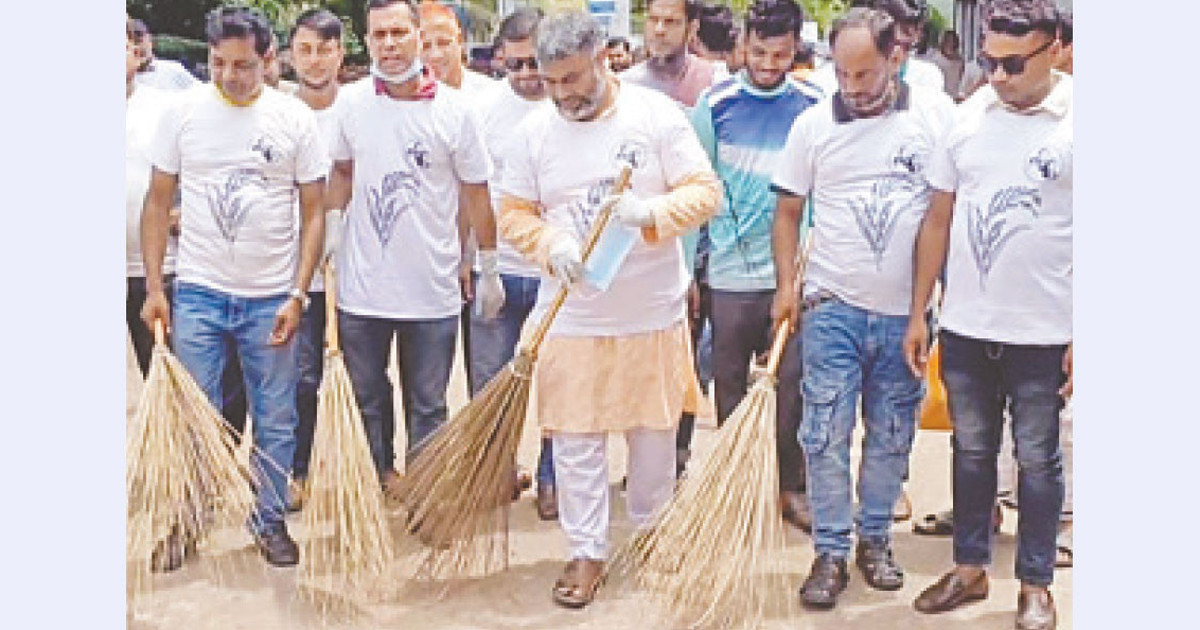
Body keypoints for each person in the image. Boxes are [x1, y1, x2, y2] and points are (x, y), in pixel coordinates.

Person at [497, 10, 720, 609]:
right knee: (575, 441)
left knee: (652, 436)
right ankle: (586, 549)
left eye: (573, 78)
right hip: (573, 316)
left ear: (602, 57)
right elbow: (513, 213)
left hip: (651, 312)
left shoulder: (656, 117)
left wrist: (651, 215)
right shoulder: (533, 134)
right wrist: (551, 245)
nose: (563, 93)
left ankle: (651, 535)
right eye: (552, 82)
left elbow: (705, 193)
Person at [770, 6, 954, 610]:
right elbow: (789, 212)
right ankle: (830, 550)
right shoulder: (811, 126)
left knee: (893, 432)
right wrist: (785, 287)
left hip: (902, 316)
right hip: (831, 310)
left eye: (865, 75)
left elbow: (936, 219)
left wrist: (920, 310)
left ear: (897, 56)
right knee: (823, 434)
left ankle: (875, 540)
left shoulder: (932, 121)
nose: (852, 89)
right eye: (841, 75)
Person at [140, 5, 329, 568]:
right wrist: (155, 287)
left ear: (268, 60)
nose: (228, 76)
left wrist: (299, 294)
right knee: (197, 414)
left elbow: (314, 210)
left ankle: (268, 521)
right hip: (198, 292)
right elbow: (157, 202)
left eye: (242, 65)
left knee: (276, 416)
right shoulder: (183, 113)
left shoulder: (293, 119)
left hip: (271, 298)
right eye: (218, 63)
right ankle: (187, 520)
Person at [907, 1, 1071, 627]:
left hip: (1044, 331)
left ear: (1054, 47)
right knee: (971, 452)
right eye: (989, 62)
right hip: (969, 326)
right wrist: (921, 311)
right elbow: (939, 217)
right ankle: (969, 569)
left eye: (1013, 64)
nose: (998, 77)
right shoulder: (967, 117)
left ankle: (1035, 584)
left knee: (1038, 459)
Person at [325, 0, 500, 497]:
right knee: (366, 396)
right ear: (366, 39)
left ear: (419, 36)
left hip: (432, 288)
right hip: (363, 290)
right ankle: (379, 479)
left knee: (429, 402)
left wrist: (488, 266)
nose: (389, 44)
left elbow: (476, 192)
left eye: (398, 33)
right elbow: (340, 171)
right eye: (378, 35)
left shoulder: (456, 111)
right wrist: (334, 229)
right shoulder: (353, 103)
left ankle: (426, 491)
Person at [689, 0, 821, 534]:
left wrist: (805, 266)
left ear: (797, 49)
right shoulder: (714, 105)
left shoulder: (815, 104)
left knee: (793, 386)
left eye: (781, 54)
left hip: (791, 273)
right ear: (743, 44)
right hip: (727, 272)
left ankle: (790, 487)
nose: (769, 64)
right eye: (760, 52)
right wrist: (689, 273)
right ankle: (733, 484)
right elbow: (695, 191)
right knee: (728, 385)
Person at [466, 7, 562, 520]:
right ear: (500, 58)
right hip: (497, 270)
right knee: (491, 383)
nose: (527, 76)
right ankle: (495, 474)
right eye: (516, 65)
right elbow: (472, 192)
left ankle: (553, 478)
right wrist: (474, 264)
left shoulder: (570, 105)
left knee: (558, 384)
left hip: (555, 276)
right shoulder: (483, 112)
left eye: (535, 64)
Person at [623, 0, 725, 480]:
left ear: (692, 28)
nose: (660, 31)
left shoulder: (715, 84)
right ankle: (650, 460)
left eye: (671, 22)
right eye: (654, 21)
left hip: (716, 244)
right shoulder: (626, 88)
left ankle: (680, 454)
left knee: (699, 358)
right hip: (655, 242)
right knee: (651, 355)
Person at [284, 7, 347, 512]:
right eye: (305, 49)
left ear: (340, 53)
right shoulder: (280, 111)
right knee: (302, 377)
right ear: (289, 56)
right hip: (296, 270)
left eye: (325, 48)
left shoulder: (358, 109)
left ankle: (373, 466)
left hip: (355, 272)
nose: (315, 59)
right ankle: (296, 469)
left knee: (363, 377)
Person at [126, 18, 177, 378]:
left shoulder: (165, 109)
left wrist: (184, 211)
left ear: (135, 50)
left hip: (157, 269)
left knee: (166, 375)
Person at [130, 18, 200, 91]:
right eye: (132, 43)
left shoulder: (173, 70)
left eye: (139, 41)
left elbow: (200, 92)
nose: (137, 47)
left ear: (150, 40)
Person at [929, 30, 965, 98]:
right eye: (948, 41)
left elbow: (961, 80)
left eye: (953, 41)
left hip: (954, 99)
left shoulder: (960, 61)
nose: (951, 44)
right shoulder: (935, 60)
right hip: (938, 98)